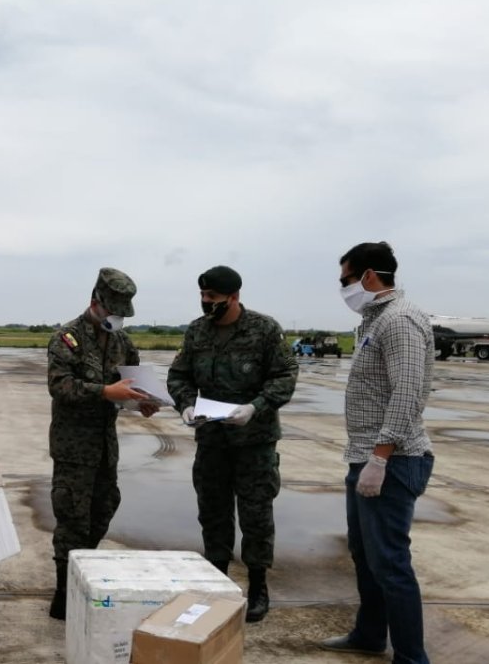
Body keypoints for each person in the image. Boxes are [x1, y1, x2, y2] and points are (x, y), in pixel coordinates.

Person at [320, 242, 435, 664]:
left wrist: (380, 458)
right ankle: (369, 635)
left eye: (346, 280)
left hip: (392, 461)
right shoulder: (376, 320)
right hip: (367, 457)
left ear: (369, 277)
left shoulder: (400, 321)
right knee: (365, 556)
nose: (344, 288)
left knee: (390, 564)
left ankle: (411, 657)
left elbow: (406, 395)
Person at [166, 265, 298, 623]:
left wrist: (256, 407)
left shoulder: (264, 329)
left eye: (214, 298)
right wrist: (186, 404)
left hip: (254, 441)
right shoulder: (197, 332)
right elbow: (179, 374)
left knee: (256, 513)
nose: (207, 304)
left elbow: (285, 375)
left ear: (234, 297)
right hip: (212, 440)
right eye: (203, 297)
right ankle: (217, 579)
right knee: (213, 511)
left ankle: (258, 586)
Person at [45, 267, 157, 620]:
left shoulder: (123, 342)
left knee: (104, 506)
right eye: (113, 312)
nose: (117, 319)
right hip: (73, 445)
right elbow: (59, 386)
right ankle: (64, 594)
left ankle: (84, 575)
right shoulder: (68, 338)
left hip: (106, 444)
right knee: (72, 518)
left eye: (122, 314)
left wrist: (144, 402)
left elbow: (134, 382)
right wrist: (105, 391)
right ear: (96, 302)